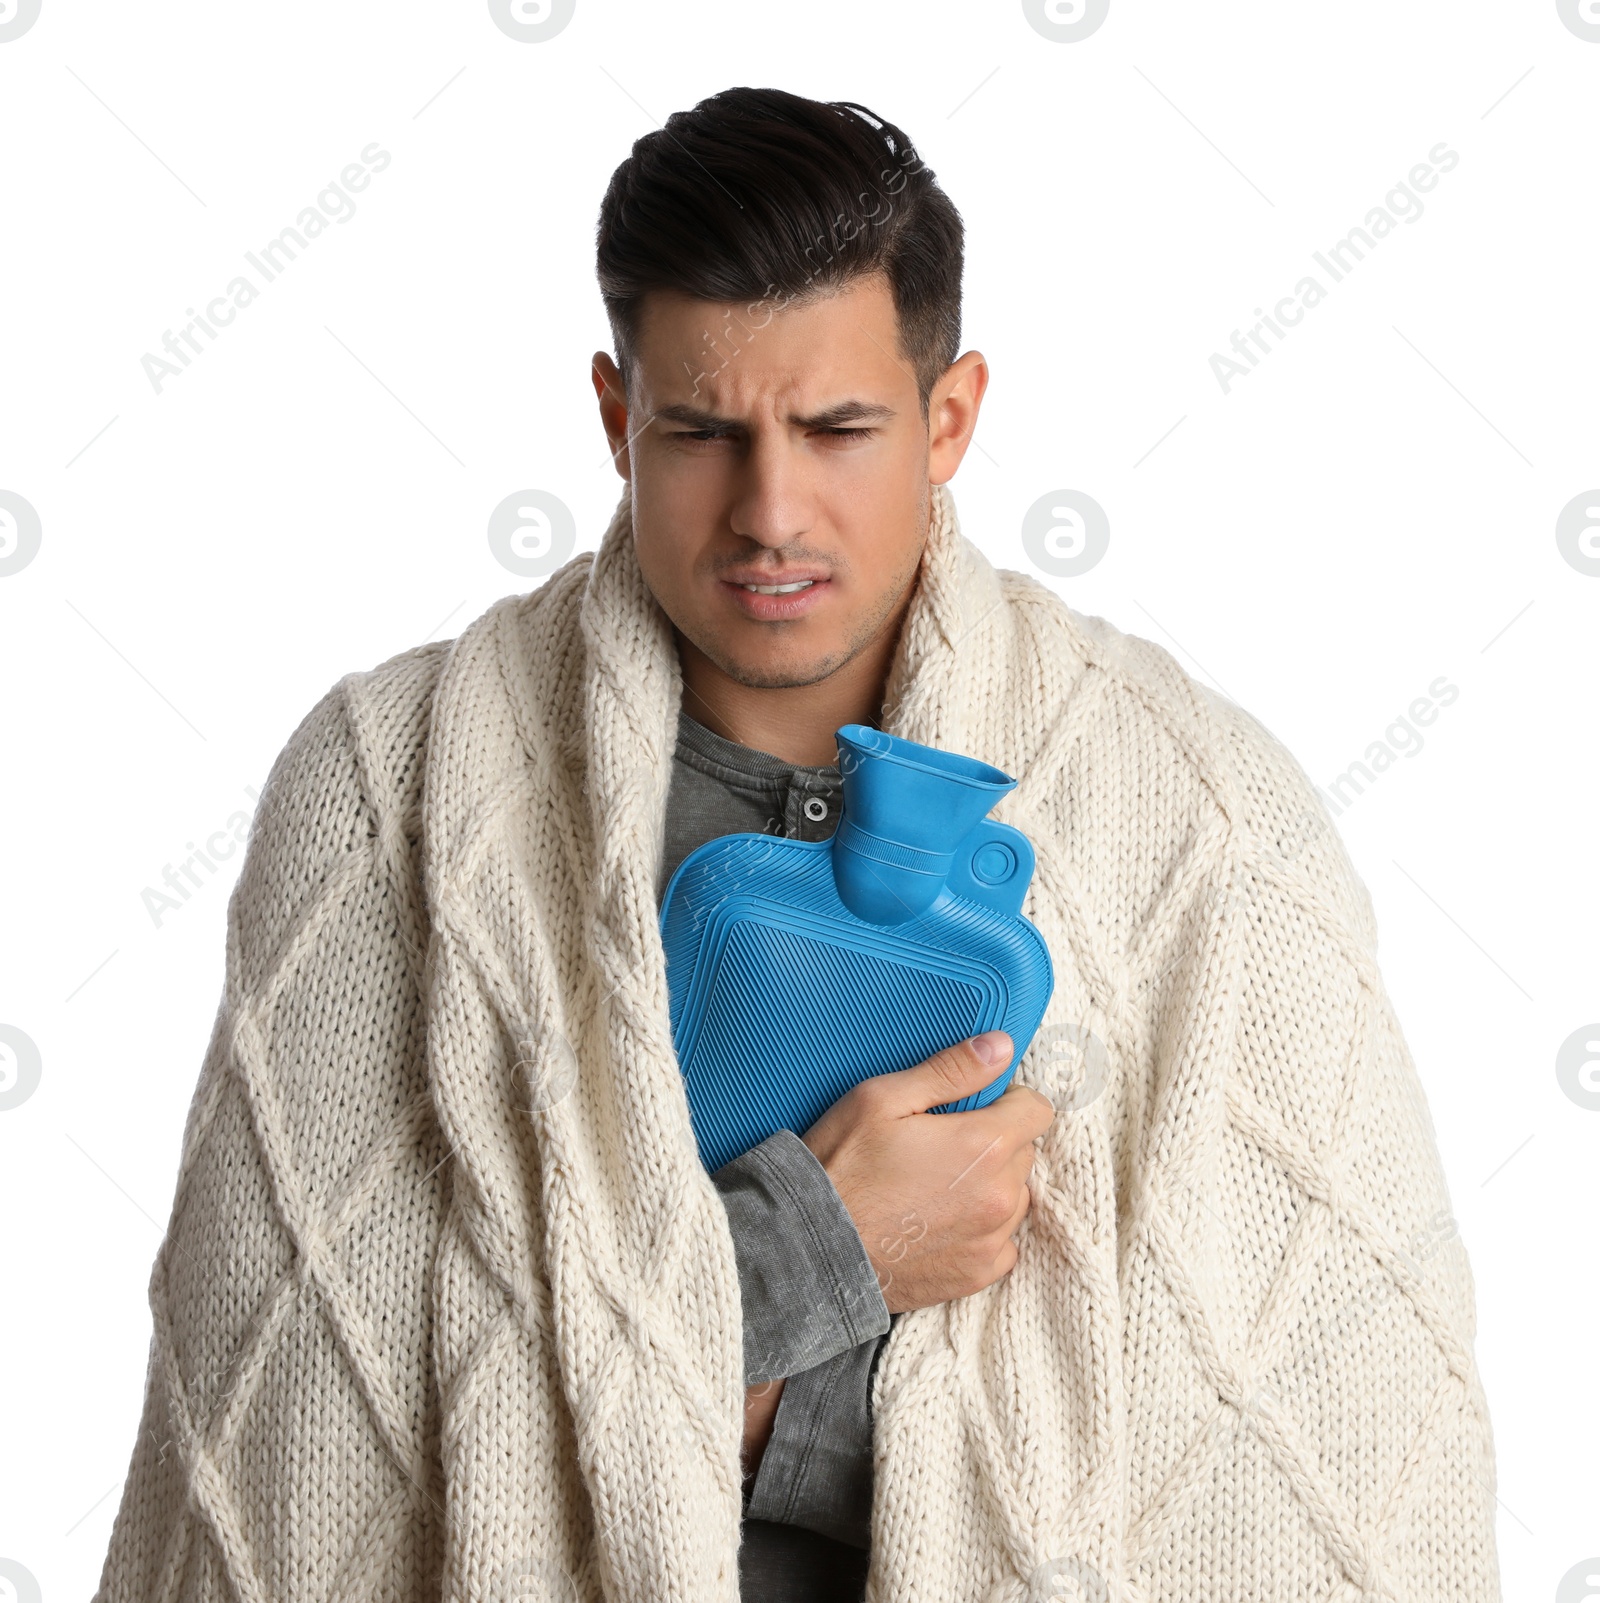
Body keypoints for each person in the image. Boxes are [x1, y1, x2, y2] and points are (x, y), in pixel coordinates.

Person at [94, 87, 1501, 1602]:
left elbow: (1315, 1443)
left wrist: (714, 1395)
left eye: (839, 430)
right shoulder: (393, 796)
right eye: (701, 432)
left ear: (950, 417)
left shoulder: (1200, 823)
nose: (772, 511)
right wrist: (830, 1249)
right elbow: (322, 1436)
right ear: (615, 416)